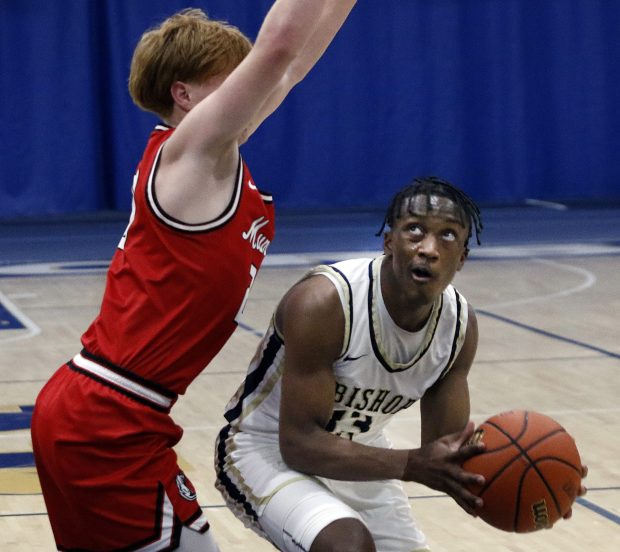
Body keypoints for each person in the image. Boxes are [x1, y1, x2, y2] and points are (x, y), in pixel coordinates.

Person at [30, 2, 357, 551]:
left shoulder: (211, 155)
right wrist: (272, 56)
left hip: (105, 408)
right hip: (110, 416)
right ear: (185, 94)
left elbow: (290, 65)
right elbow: (278, 46)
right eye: (231, 76)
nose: (249, 84)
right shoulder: (189, 156)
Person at [215, 177, 587, 552]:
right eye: (414, 231)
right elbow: (299, 444)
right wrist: (411, 464)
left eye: (447, 236)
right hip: (263, 451)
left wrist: (550, 480)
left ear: (462, 258)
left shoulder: (457, 326)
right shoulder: (326, 302)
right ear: (389, 241)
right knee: (347, 545)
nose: (428, 248)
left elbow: (446, 451)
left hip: (360, 454)